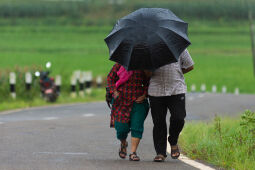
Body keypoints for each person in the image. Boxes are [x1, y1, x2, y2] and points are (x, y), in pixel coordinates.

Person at [148, 49, 194, 162]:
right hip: (156, 90)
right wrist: (149, 68)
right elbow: (146, 73)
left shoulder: (179, 47)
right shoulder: (149, 50)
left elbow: (190, 65)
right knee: (158, 122)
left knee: (179, 118)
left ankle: (173, 140)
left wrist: (178, 73)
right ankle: (160, 153)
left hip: (177, 89)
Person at [107, 63, 150, 161]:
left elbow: (149, 82)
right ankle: (123, 143)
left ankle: (133, 152)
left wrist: (144, 95)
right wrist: (114, 91)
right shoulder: (119, 65)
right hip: (120, 101)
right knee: (121, 128)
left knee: (137, 126)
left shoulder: (144, 66)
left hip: (138, 101)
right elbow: (110, 79)